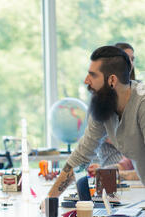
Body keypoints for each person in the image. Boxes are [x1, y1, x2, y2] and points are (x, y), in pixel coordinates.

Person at [43, 45, 145, 205]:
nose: (86, 80)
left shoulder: (142, 103)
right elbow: (82, 156)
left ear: (112, 80)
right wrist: (51, 199)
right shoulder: (104, 105)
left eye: (93, 75)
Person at [89, 42, 137, 169]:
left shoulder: (139, 98)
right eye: (126, 59)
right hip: (112, 164)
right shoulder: (101, 100)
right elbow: (92, 141)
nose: (130, 63)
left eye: (132, 59)